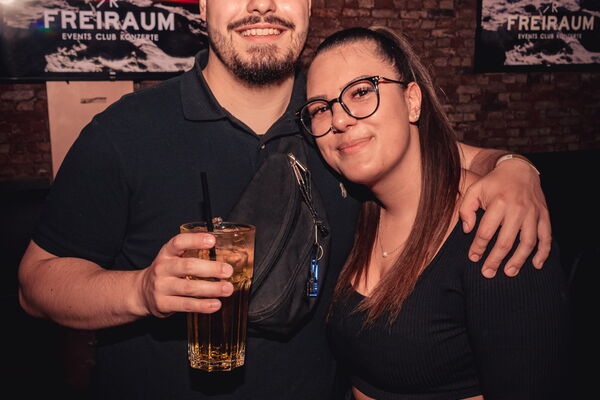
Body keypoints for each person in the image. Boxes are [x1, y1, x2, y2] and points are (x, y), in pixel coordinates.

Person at [18, 1, 551, 399]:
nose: (261, 6)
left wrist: (513, 167)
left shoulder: (336, 120)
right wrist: (141, 290)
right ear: (201, 6)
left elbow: (438, 150)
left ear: (309, 6)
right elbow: (35, 286)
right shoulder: (124, 133)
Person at [298, 26, 572, 399]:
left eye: (361, 92)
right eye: (321, 108)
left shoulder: (496, 228)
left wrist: (518, 166)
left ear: (413, 101)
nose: (340, 120)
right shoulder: (351, 209)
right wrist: (512, 162)